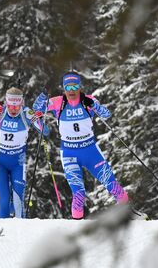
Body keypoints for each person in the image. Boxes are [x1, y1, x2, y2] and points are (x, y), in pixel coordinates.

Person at [32, 72, 129, 220]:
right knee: (78, 193)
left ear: (80, 86)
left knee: (111, 184)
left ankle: (129, 214)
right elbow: (36, 108)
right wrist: (45, 92)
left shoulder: (87, 100)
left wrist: (95, 106)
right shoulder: (59, 102)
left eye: (75, 86)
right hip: (69, 153)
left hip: (90, 151)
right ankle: (77, 224)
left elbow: (107, 114)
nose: (72, 90)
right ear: (64, 88)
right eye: (68, 86)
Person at [0, 87, 48, 219]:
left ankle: (20, 231)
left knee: (18, 199)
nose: (13, 110)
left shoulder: (26, 113)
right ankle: (2, 232)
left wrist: (40, 120)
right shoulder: (0, 112)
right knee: (4, 197)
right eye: (11, 106)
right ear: (7, 103)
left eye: (17, 106)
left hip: (18, 161)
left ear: (21, 104)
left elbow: (45, 132)